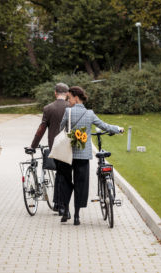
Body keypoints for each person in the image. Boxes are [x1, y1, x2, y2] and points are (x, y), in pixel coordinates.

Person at [58, 86, 124, 226]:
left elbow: (60, 128)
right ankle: (76, 216)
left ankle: (65, 211)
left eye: (69, 97)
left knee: (66, 182)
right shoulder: (90, 114)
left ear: (76, 97)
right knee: (81, 184)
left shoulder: (68, 112)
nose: (68, 101)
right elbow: (104, 126)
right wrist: (118, 129)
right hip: (83, 155)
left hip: (67, 153)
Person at [30, 82, 70, 215]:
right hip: (70, 145)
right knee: (65, 174)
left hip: (55, 146)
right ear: (67, 94)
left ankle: (59, 204)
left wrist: (33, 145)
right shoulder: (71, 106)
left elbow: (41, 129)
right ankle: (62, 204)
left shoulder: (48, 108)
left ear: (55, 93)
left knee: (60, 172)